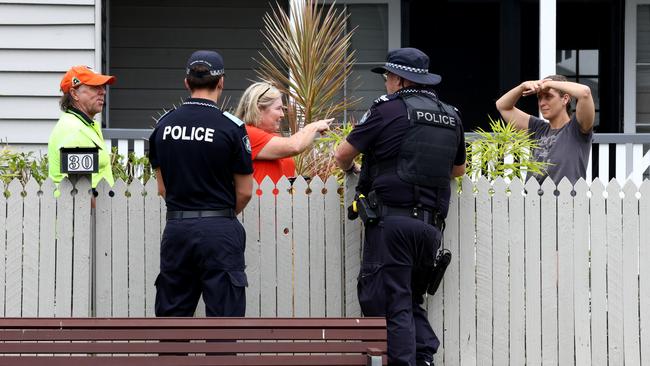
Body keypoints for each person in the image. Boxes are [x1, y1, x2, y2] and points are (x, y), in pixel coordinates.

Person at [334, 48, 466, 366]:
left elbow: (342, 155)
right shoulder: (451, 115)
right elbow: (458, 169)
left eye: (387, 78)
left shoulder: (386, 111)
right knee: (410, 300)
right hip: (430, 229)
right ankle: (424, 358)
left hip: (392, 224)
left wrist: (355, 171)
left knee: (391, 304)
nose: (386, 84)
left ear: (397, 79)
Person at [148, 50, 254, 317]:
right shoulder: (231, 128)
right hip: (219, 230)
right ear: (221, 83)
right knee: (224, 322)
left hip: (177, 229)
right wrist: (218, 215)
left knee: (172, 319)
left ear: (187, 82)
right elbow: (245, 192)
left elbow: (163, 189)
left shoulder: (163, 126)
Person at [495, 75, 595, 184]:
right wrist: (523, 86)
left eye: (548, 96)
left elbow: (585, 92)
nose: (542, 103)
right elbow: (502, 106)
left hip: (565, 200)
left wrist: (548, 84)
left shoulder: (576, 129)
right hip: (533, 200)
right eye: (539, 97)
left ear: (565, 99)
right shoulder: (537, 128)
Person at [234, 82, 332, 183]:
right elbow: (294, 146)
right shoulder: (246, 134)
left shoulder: (273, 137)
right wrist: (313, 126)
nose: (282, 115)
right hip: (262, 199)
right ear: (258, 109)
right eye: (278, 108)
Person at [48, 65, 116, 188]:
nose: (103, 91)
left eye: (102, 86)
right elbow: (80, 191)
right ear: (74, 94)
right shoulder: (73, 130)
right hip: (84, 207)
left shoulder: (85, 124)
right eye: (95, 87)